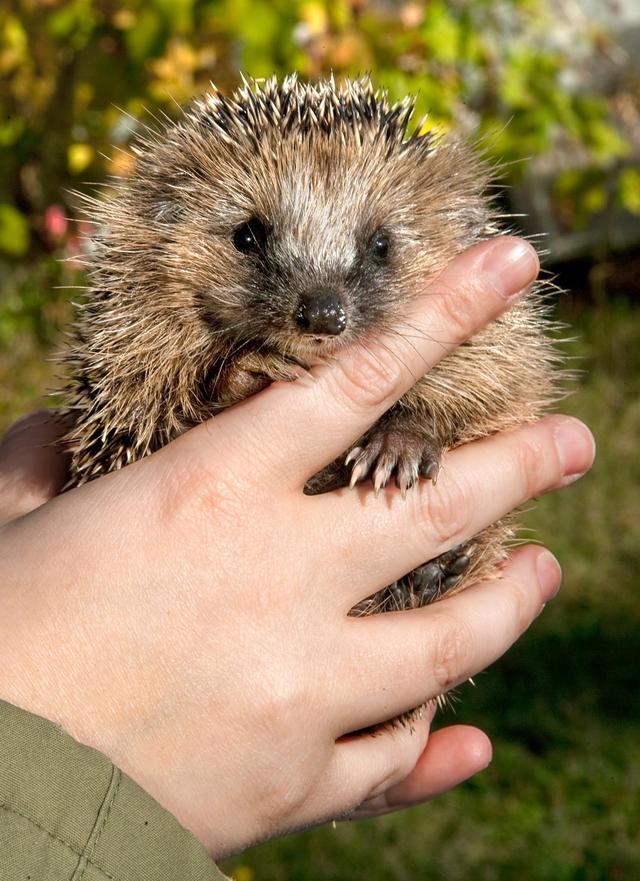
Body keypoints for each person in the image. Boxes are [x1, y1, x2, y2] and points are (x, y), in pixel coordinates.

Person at [0, 238, 595, 879]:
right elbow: (131, 419)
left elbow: (494, 395)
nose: (324, 305)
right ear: (167, 222)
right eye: (254, 242)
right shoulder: (153, 332)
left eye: (376, 248)